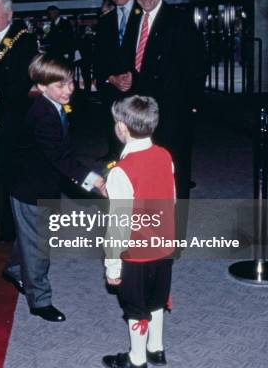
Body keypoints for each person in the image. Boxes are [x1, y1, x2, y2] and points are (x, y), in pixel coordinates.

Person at [4, 54, 104, 322]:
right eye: (60, 86)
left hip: (41, 180)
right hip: (29, 186)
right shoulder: (42, 114)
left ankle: (14, 268)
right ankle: (40, 300)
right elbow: (61, 157)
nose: (69, 90)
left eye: (70, 83)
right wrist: (94, 180)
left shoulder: (52, 105)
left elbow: (60, 151)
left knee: (30, 232)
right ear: (41, 85)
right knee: (38, 243)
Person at [102, 95, 175, 368]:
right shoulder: (165, 156)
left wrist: (112, 266)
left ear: (121, 127)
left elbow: (118, 225)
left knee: (135, 307)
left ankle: (136, 358)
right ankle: (157, 348)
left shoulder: (121, 171)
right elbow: (173, 199)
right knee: (157, 299)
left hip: (135, 253)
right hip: (164, 245)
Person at [121, 0, 205, 200]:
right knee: (146, 168)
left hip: (172, 109)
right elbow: (136, 58)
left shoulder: (179, 21)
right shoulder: (135, 19)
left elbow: (197, 64)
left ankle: (176, 229)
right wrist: (127, 75)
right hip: (141, 108)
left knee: (175, 169)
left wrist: (191, 104)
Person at [0, 0, 38, 242]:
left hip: (10, 119)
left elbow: (19, 84)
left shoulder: (24, 40)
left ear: (9, 15)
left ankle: (10, 228)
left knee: (9, 175)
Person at [94, 0, 139, 161]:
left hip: (139, 86)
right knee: (114, 125)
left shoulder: (143, 15)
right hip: (113, 87)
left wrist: (133, 76)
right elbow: (99, 57)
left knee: (138, 128)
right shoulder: (105, 22)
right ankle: (116, 157)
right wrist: (110, 78)